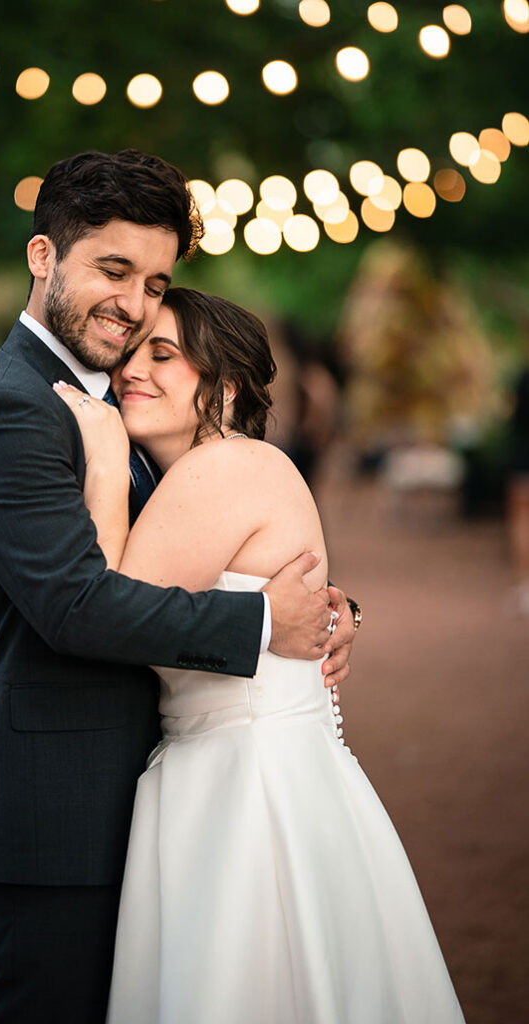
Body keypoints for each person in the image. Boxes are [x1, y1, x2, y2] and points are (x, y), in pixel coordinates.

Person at [0, 149, 357, 1024]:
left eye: (156, 282)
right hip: (53, 817)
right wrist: (260, 623)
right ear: (44, 256)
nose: (133, 304)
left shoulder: (125, 405)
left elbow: (205, 540)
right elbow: (75, 605)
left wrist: (326, 608)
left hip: (156, 806)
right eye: (112, 269)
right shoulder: (11, 408)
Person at [54, 288, 464, 1024]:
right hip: (239, 767)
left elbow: (110, 608)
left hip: (248, 787)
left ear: (226, 384)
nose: (130, 373)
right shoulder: (220, 471)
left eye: (164, 355)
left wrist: (107, 466)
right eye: (132, 352)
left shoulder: (224, 468)